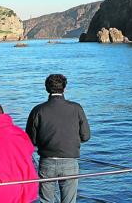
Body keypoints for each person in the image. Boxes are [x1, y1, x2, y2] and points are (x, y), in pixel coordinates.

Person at [26, 74, 90, 203]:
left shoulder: (38, 110)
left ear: (46, 89)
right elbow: (86, 136)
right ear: (64, 88)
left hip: (47, 161)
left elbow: (30, 140)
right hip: (70, 160)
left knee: (46, 200)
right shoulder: (76, 108)